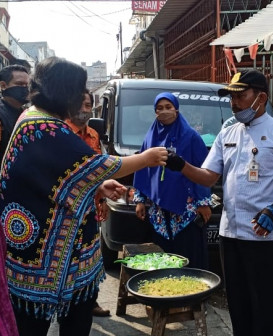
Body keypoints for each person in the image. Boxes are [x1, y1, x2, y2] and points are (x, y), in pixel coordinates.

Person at [0, 57, 167, 336]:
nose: (81, 97)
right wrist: (146, 158)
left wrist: (97, 186)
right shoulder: (43, 126)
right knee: (38, 325)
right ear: (64, 90)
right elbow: (94, 165)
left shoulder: (34, 118)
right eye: (79, 89)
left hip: (59, 252)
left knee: (70, 318)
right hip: (43, 255)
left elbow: (56, 174)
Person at [165, 69, 273, 336]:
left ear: (261, 97)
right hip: (230, 234)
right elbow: (207, 178)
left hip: (263, 234)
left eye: (240, 96)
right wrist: (180, 165)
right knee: (238, 303)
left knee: (267, 303)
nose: (234, 103)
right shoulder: (227, 133)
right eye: (231, 97)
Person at [133, 92, 212, 269]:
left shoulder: (191, 136)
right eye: (159, 108)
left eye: (168, 107)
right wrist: (139, 200)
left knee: (188, 255)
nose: (164, 111)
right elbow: (142, 169)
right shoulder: (150, 138)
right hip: (158, 210)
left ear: (176, 109)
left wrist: (203, 202)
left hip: (186, 209)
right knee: (164, 256)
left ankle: (191, 292)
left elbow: (203, 169)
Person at [65, 89, 110, 317]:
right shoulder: (61, 133)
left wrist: (101, 199)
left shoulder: (93, 135)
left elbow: (99, 171)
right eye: (80, 104)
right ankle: (67, 302)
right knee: (68, 258)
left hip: (90, 205)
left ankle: (90, 301)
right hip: (67, 210)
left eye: (88, 104)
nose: (84, 109)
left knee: (92, 255)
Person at [0, 64, 30, 160]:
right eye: (20, 84)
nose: (25, 89)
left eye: (27, 85)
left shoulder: (27, 113)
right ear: (3, 86)